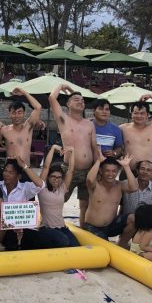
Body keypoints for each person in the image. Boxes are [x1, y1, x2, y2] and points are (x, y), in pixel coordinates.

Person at [49, 84, 100, 227]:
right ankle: (52, 225)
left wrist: (98, 166)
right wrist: (62, 86)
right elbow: (52, 98)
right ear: (68, 104)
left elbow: (94, 146)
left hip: (88, 170)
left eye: (82, 100)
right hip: (69, 168)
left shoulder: (89, 124)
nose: (80, 102)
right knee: (58, 200)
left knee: (85, 203)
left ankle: (83, 228)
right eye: (76, 99)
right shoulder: (63, 119)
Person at [0, 157, 45, 250]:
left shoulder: (25, 188)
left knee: (35, 240)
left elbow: (41, 185)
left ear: (19, 176)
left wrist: (24, 166)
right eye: (5, 171)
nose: (6, 174)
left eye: (11, 172)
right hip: (5, 229)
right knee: (10, 240)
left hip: (24, 228)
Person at [84, 154, 138, 240]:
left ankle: (122, 244)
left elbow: (134, 188)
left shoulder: (119, 185)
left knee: (134, 219)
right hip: (93, 227)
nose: (110, 174)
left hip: (111, 225)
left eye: (114, 171)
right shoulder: (95, 185)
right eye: (107, 171)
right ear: (101, 171)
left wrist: (126, 167)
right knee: (104, 245)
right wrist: (98, 161)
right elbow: (89, 179)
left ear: (117, 171)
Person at [37, 145, 80, 248]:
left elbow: (71, 170)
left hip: (62, 227)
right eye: (53, 176)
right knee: (63, 241)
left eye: (59, 177)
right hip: (46, 228)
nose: (56, 179)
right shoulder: (42, 188)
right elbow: (46, 167)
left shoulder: (62, 188)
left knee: (75, 245)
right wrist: (53, 148)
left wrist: (72, 151)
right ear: (48, 177)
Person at [120, 95, 152, 171]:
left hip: (146, 171)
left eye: (142, 113)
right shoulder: (123, 128)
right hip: (127, 170)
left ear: (147, 115)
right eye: (135, 113)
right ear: (131, 114)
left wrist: (151, 96)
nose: (139, 116)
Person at [0, 87, 43, 172]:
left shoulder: (28, 127)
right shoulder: (4, 130)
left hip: (26, 169)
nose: (17, 116)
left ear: (24, 114)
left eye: (19, 112)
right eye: (14, 113)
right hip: (11, 170)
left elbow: (38, 107)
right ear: (9, 114)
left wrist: (24, 93)